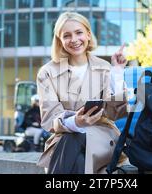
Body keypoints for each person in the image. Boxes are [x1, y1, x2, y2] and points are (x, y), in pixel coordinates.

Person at [36, 12, 129, 174]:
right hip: (65, 138)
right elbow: (50, 117)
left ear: (88, 34)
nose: (74, 39)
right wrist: (76, 123)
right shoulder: (47, 72)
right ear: (59, 40)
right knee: (74, 142)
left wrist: (118, 72)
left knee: (75, 146)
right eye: (67, 35)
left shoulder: (104, 67)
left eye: (78, 32)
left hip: (102, 137)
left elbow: (117, 112)